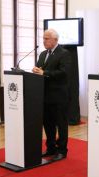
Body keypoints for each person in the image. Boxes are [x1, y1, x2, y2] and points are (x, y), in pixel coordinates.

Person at [32, 29, 71, 160]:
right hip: (44, 95)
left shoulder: (64, 53)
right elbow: (40, 69)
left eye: (47, 38)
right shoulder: (42, 54)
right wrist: (36, 70)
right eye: (43, 38)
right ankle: (50, 147)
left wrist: (45, 73)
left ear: (55, 40)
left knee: (61, 124)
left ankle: (62, 150)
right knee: (48, 124)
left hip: (59, 96)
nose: (44, 41)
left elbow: (64, 73)